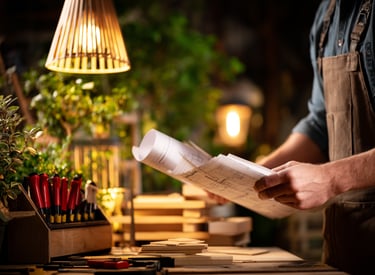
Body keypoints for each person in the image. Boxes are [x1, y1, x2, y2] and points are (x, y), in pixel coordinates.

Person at [250, 0, 375, 274]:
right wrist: (255, 172)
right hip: (346, 247)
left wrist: (331, 179)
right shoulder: (327, 13)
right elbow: (322, 123)